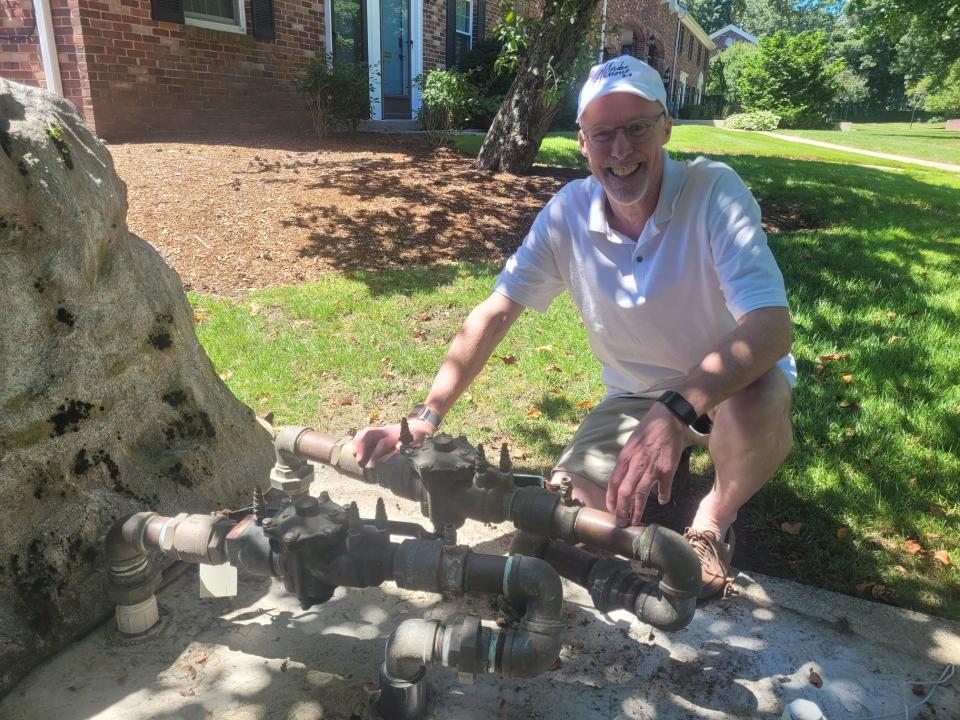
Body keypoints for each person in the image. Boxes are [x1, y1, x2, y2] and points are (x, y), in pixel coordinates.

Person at [355, 55, 794, 599]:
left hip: (730, 382)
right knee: (561, 515)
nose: (621, 149)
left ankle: (709, 524)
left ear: (665, 128)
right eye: (603, 134)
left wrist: (676, 409)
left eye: (637, 128)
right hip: (634, 394)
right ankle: (660, 448)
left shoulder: (713, 191)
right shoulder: (568, 213)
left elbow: (771, 328)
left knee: (761, 396)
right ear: (583, 143)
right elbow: (495, 313)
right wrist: (426, 417)